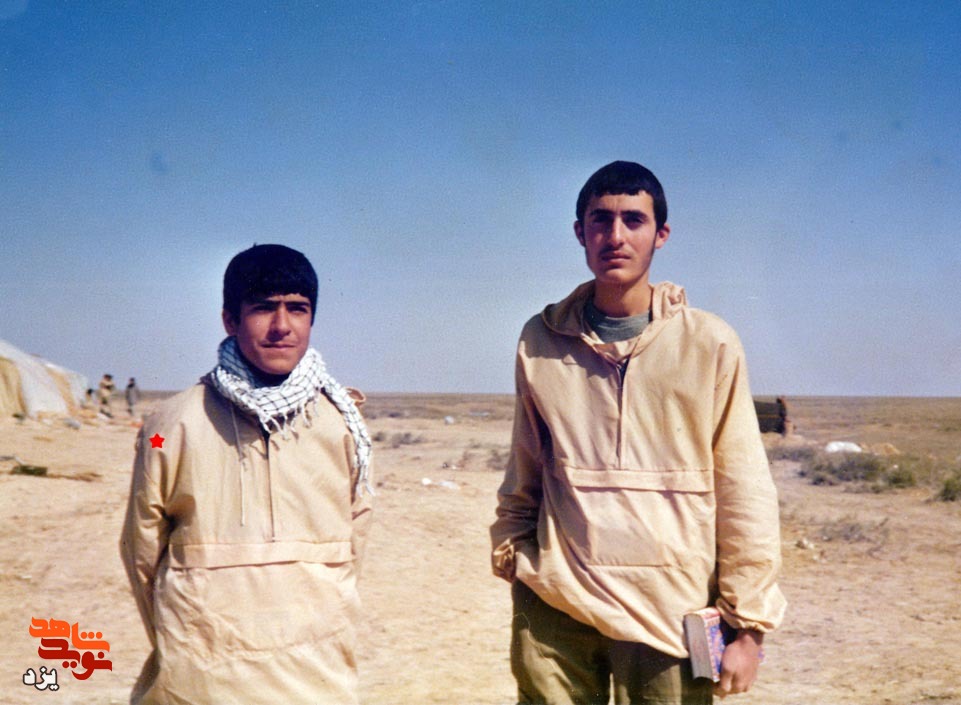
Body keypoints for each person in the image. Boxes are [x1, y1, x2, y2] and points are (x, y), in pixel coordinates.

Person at [490, 161, 786, 704]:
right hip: (557, 599)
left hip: (671, 609)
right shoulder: (542, 338)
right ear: (580, 232)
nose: (616, 236)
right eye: (600, 220)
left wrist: (748, 625)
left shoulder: (709, 343)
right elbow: (526, 462)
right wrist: (511, 547)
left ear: (661, 234)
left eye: (633, 220)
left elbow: (744, 488)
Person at [120, 244, 374, 705]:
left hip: (318, 669)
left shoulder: (341, 424)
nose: (282, 326)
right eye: (263, 308)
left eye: (297, 309)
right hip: (202, 673)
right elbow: (142, 554)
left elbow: (354, 542)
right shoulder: (167, 426)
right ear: (230, 320)